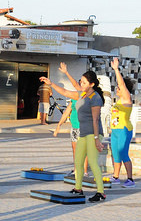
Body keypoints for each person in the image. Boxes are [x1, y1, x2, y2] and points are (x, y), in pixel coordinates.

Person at [40, 71, 107, 202]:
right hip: (83, 133)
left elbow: (95, 120)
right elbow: (65, 92)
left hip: (94, 133)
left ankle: (101, 192)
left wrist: (96, 139)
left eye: (84, 82)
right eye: (81, 81)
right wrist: (51, 83)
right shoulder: (81, 94)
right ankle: (78, 188)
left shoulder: (96, 97)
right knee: (78, 160)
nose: (81, 84)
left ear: (92, 84)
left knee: (93, 162)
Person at [109, 57, 135, 188]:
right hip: (115, 131)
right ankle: (116, 177)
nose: (117, 89)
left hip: (124, 130)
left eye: (118, 88)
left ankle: (130, 179)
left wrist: (116, 69)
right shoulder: (119, 101)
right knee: (115, 154)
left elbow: (122, 85)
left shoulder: (127, 98)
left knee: (123, 153)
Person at [54, 98, 88, 177]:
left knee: (83, 150)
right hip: (74, 127)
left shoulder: (87, 97)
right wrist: (59, 125)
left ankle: (84, 171)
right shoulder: (73, 99)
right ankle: (76, 170)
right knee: (75, 149)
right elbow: (66, 112)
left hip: (83, 127)